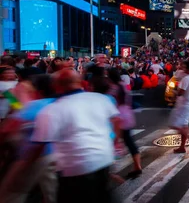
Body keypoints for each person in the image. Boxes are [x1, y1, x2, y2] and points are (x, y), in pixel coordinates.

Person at [26, 69, 121, 203]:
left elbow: (39, 145)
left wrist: (26, 166)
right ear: (81, 83)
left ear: (56, 86)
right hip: (103, 159)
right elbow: (116, 120)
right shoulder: (100, 98)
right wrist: (112, 141)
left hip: (75, 167)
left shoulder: (51, 110)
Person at [0, 74, 56, 203]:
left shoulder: (26, 96)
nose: (11, 74)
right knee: (49, 185)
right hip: (45, 149)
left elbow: (18, 113)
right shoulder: (15, 90)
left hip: (31, 149)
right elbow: (15, 109)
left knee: (13, 191)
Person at [168, 60, 189, 154]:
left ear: (188, 68)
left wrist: (174, 93)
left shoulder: (186, 79)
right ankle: (182, 147)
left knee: (174, 125)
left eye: (184, 66)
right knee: (184, 125)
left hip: (184, 105)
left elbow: (181, 92)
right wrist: (179, 68)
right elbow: (177, 76)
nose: (183, 67)